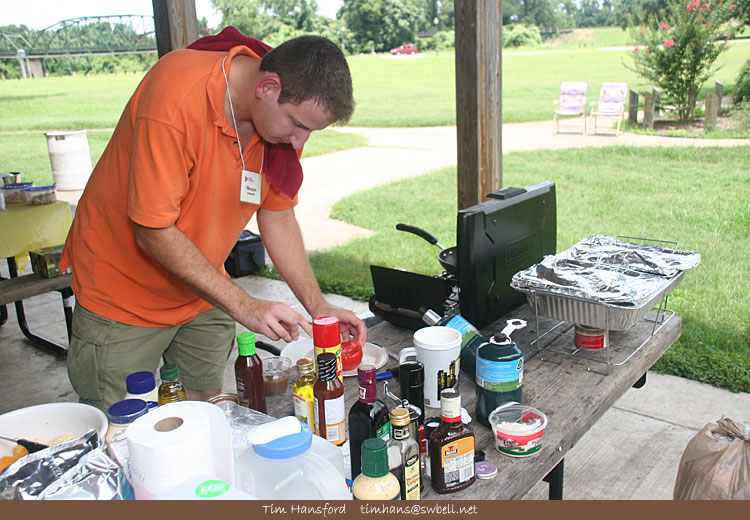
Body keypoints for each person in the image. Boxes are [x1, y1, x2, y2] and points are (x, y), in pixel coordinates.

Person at [59, 32, 365, 412]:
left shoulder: (278, 120)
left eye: (310, 132)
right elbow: (153, 230)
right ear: (267, 87)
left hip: (201, 288)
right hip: (123, 295)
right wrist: (243, 305)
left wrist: (318, 306)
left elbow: (277, 214)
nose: (298, 142)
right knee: (123, 429)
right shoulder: (177, 96)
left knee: (207, 411)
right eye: (296, 124)